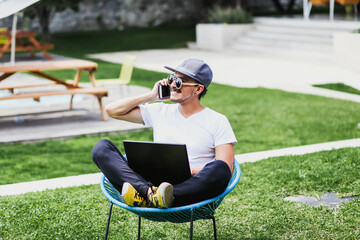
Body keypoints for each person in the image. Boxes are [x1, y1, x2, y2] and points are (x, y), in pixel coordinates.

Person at [92, 58, 237, 208]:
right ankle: (150, 194)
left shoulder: (217, 120)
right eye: (172, 79)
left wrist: (190, 170)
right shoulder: (159, 111)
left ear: (198, 89)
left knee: (219, 169)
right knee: (101, 148)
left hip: (190, 186)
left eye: (179, 82)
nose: (173, 85)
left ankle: (158, 196)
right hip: (151, 181)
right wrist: (151, 96)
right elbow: (112, 110)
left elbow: (226, 167)